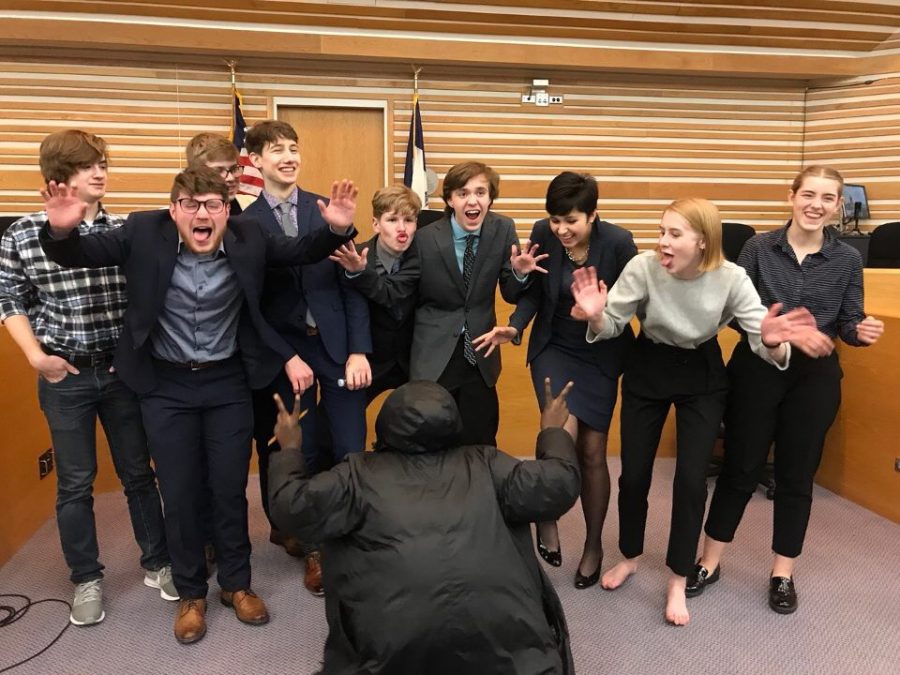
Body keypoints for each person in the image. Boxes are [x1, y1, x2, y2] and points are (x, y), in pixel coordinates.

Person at [39, 166, 357, 644]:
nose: (202, 213)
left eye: (213, 204)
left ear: (227, 210)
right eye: (191, 204)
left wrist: (334, 227)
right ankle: (191, 594)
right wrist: (61, 230)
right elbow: (79, 252)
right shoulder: (144, 231)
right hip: (165, 386)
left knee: (230, 487)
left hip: (227, 382)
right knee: (181, 491)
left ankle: (236, 584)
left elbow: (301, 251)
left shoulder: (248, 236)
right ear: (174, 210)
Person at [570, 197, 819, 625]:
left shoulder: (731, 277)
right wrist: (595, 317)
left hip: (701, 373)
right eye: (661, 231)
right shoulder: (643, 267)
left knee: (689, 480)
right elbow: (611, 324)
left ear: (702, 241)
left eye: (675, 234)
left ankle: (678, 576)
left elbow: (762, 337)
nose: (663, 241)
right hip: (649, 366)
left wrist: (774, 340)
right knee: (634, 475)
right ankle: (629, 556)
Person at [267, 378, 579, 674]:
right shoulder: (487, 462)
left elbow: (291, 507)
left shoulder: (357, 474)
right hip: (506, 644)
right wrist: (552, 431)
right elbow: (558, 485)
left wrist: (290, 449)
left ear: (386, 424)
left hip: (393, 650)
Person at [692, 166, 884, 614]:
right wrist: (771, 330)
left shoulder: (848, 260)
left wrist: (859, 330)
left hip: (813, 376)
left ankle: (782, 574)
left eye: (828, 198)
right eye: (809, 194)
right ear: (792, 197)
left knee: (796, 477)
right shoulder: (759, 248)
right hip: (757, 368)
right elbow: (733, 311)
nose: (816, 205)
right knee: (740, 468)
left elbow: (847, 321)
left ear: (839, 206)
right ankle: (709, 562)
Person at [0, 129, 173, 627]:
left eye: (102, 163)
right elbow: (10, 299)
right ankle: (86, 579)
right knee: (75, 483)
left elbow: (144, 302)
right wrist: (35, 356)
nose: (99, 171)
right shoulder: (22, 233)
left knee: (139, 473)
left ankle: (157, 564)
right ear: (58, 176)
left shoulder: (128, 229)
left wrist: (135, 355)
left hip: (121, 373)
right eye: (86, 165)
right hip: (64, 373)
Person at [480, 172, 636, 588]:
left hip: (601, 351)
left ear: (593, 215)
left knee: (591, 451)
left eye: (571, 221)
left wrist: (600, 313)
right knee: (558, 437)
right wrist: (514, 324)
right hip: (554, 348)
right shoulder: (540, 235)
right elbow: (526, 293)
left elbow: (631, 306)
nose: (562, 230)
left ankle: (594, 544)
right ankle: (546, 516)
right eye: (555, 220)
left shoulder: (619, 243)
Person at [242, 119, 372, 597]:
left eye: (294, 147)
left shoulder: (328, 210)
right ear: (255, 160)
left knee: (351, 448)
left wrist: (358, 348)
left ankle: (357, 540)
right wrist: (288, 356)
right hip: (286, 356)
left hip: (337, 349)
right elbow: (251, 305)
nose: (288, 156)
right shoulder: (243, 224)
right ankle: (316, 548)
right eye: (276, 149)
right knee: (305, 450)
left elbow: (351, 284)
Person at [411, 161, 544, 446]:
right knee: (432, 439)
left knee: (481, 439)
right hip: (434, 351)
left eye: (481, 192)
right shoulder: (423, 238)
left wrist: (519, 273)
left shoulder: (503, 228)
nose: (473, 200)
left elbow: (510, 293)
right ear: (450, 199)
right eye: (463, 193)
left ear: (490, 198)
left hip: (480, 349)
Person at [329, 184, 421, 401]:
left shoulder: (424, 256)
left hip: (412, 360)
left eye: (409, 220)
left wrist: (360, 273)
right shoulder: (352, 256)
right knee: (334, 418)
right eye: (392, 220)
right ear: (376, 224)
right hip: (366, 357)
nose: (402, 229)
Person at [185, 132, 246, 214]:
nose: (231, 178)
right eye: (218, 170)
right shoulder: (179, 220)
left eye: (234, 168)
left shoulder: (248, 213)